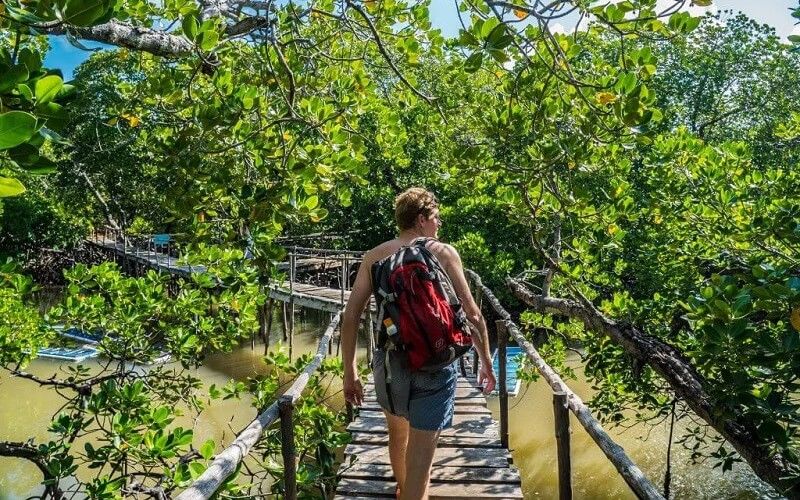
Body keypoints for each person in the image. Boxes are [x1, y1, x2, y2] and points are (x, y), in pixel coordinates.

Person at [341, 187, 497, 500]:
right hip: (435, 363)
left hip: (390, 363)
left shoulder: (374, 256)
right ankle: (413, 494)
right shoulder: (443, 252)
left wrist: (350, 371)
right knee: (422, 456)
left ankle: (405, 491)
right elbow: (473, 314)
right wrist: (486, 363)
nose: (439, 225)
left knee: (397, 435)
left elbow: (350, 316)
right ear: (422, 219)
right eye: (435, 218)